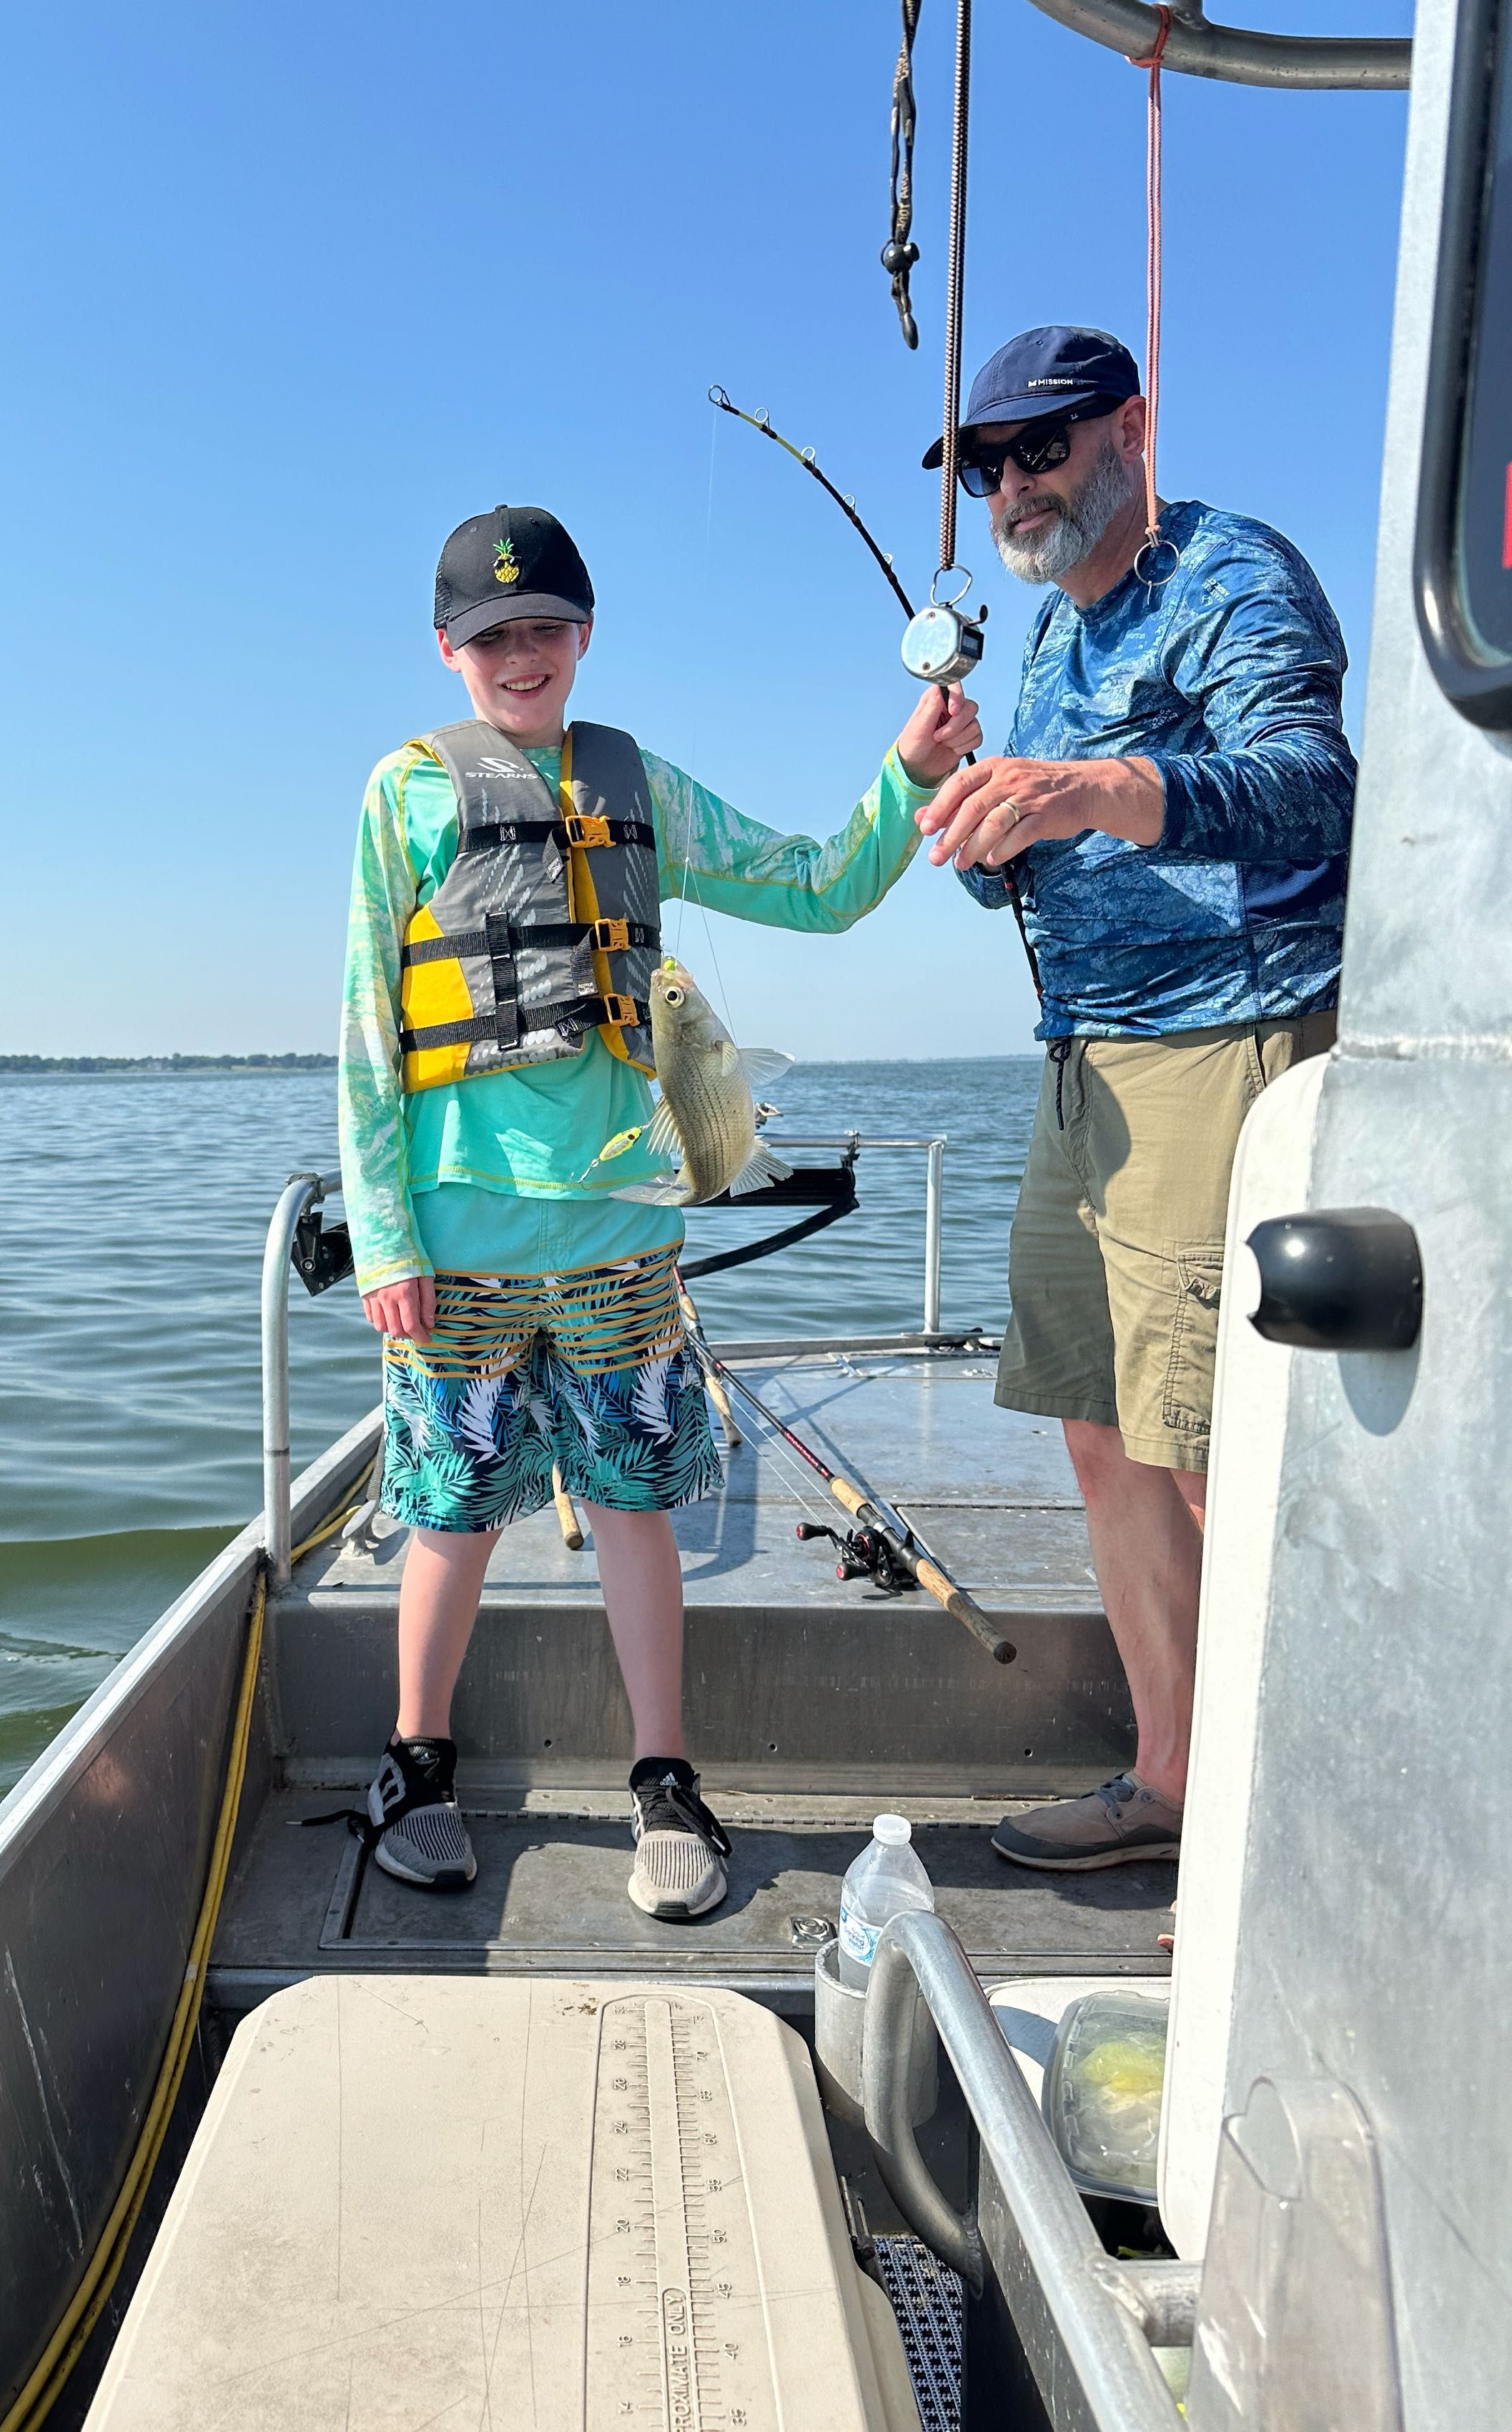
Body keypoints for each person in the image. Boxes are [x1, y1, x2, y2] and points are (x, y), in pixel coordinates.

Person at [338, 503, 981, 1919]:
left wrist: (903, 771)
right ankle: (414, 1763)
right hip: (456, 1244)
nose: (521, 656)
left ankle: (662, 1780)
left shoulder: (645, 789)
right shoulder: (403, 796)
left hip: (622, 1240)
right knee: (449, 1513)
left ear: (583, 637)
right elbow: (363, 1032)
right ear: (447, 652)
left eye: (545, 629)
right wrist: (383, 1236)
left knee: (634, 1506)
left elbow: (813, 889)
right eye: (490, 636)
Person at [912, 326, 1355, 1870]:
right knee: (1100, 1435)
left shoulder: (1230, 571)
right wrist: (960, 804)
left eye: (1040, 448)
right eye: (988, 467)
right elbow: (1026, 881)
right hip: (1079, 1064)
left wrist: (1096, 787)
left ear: (1131, 429)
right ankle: (1169, 1777)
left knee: (1207, 1446)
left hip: (1220, 1047)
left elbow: (1314, 787)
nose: (1012, 487)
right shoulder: (1044, 640)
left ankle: (1273, 1827)